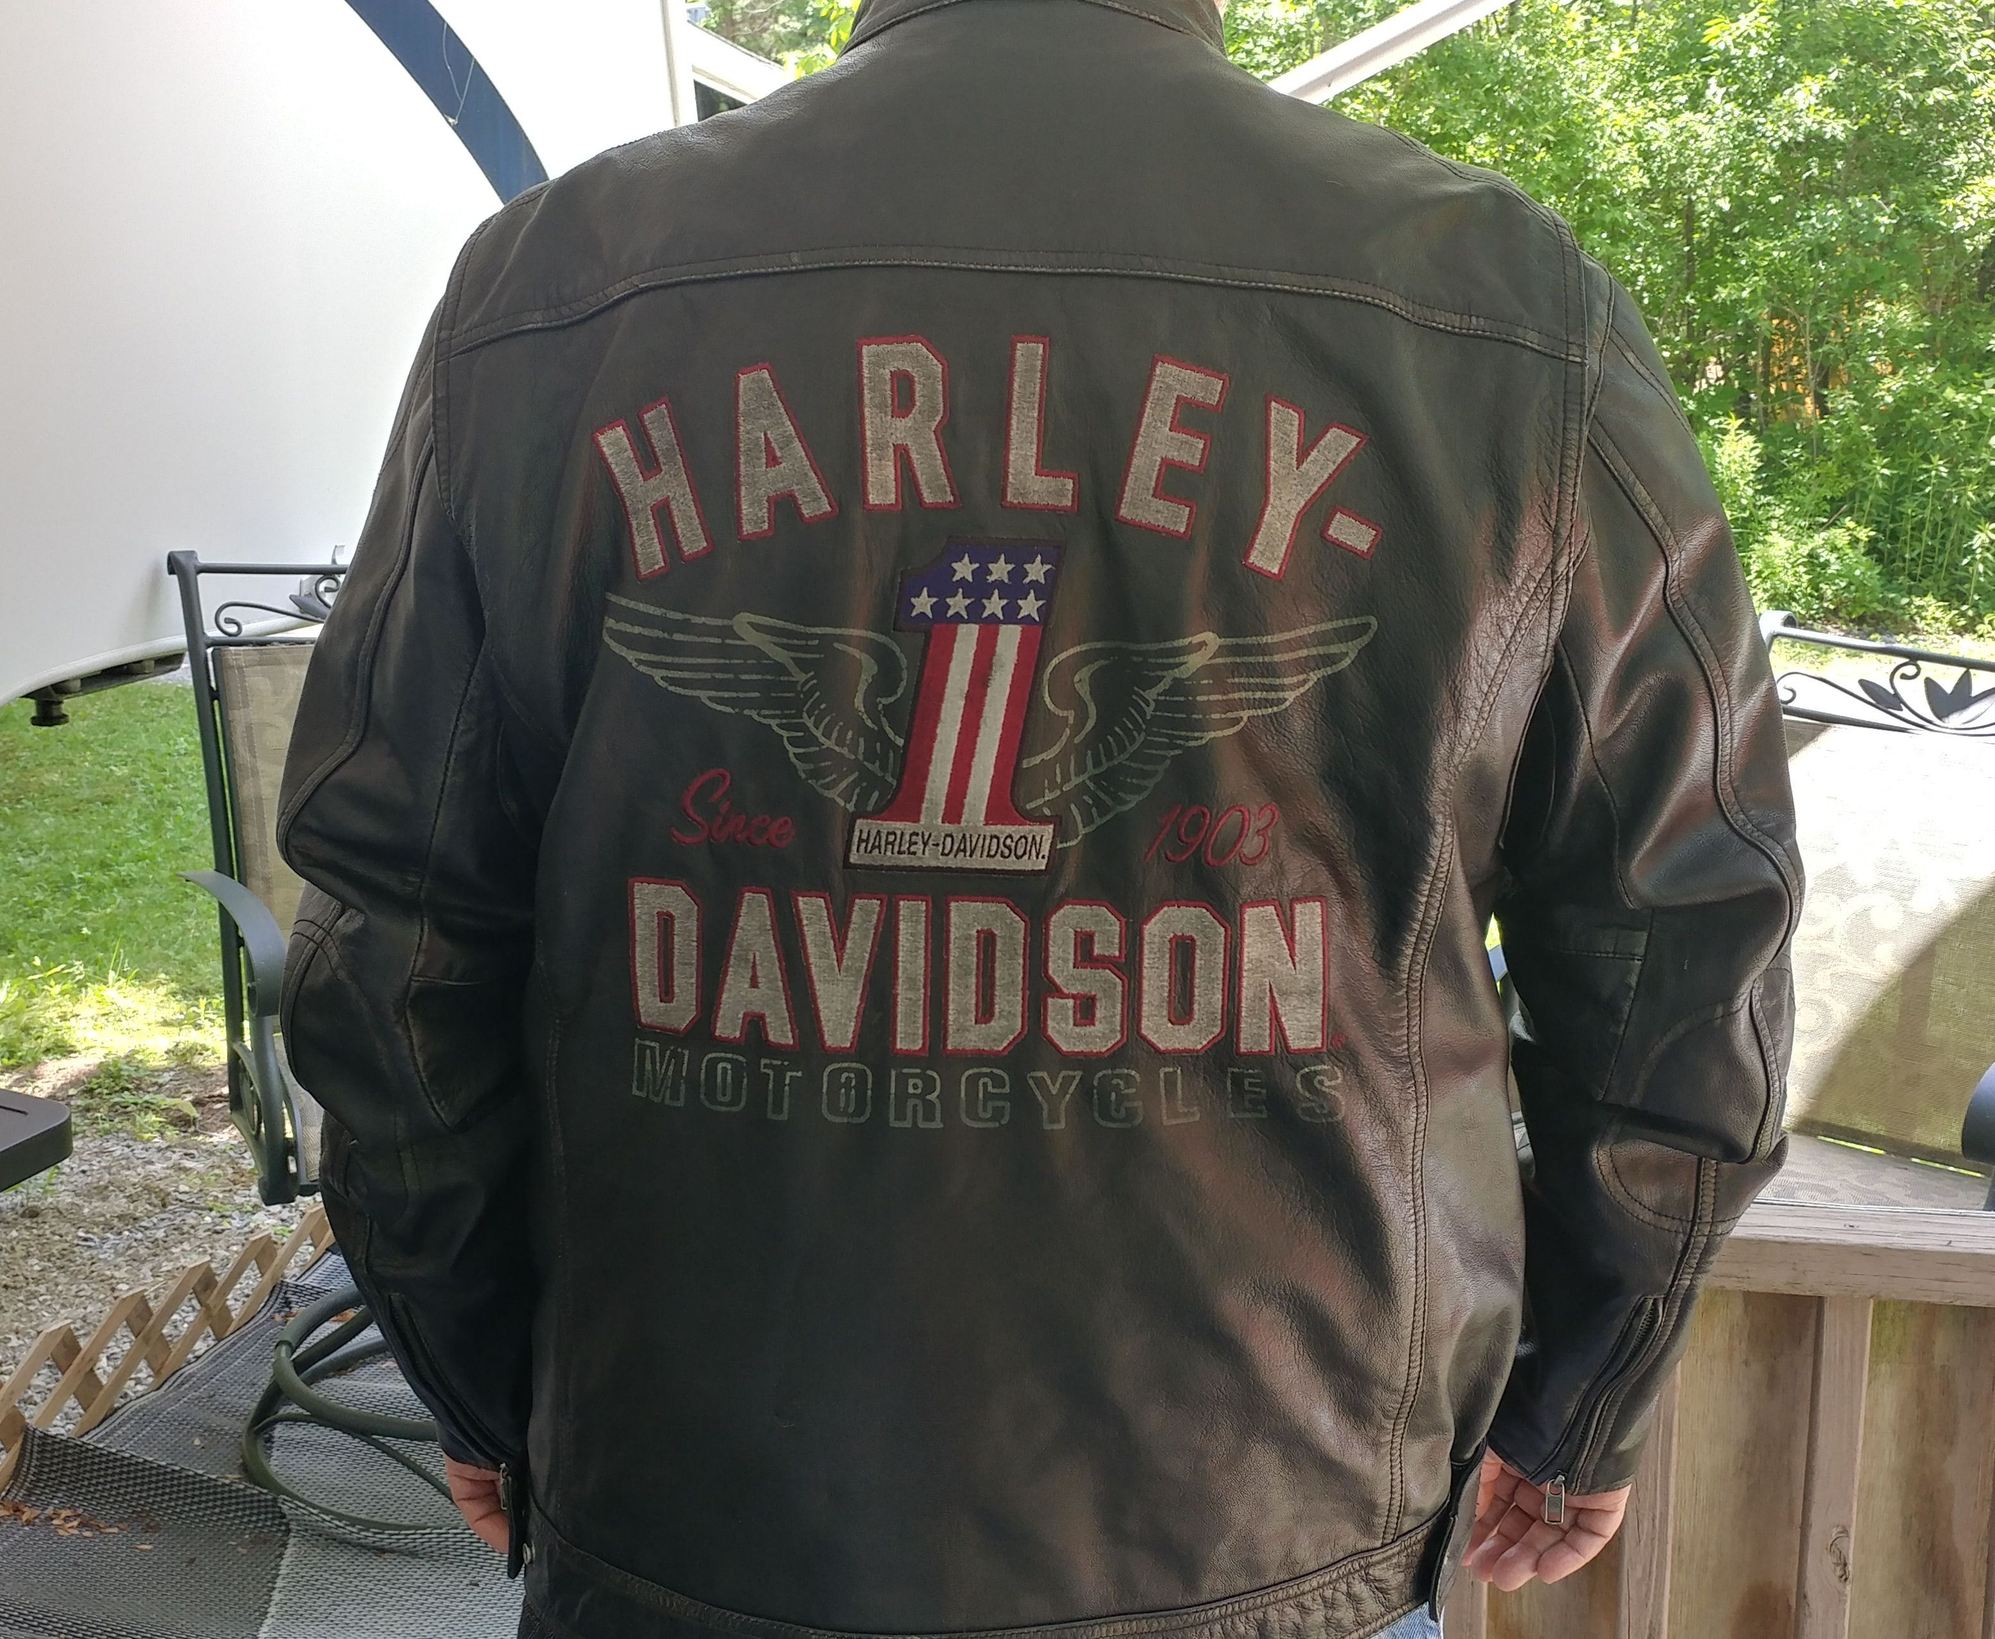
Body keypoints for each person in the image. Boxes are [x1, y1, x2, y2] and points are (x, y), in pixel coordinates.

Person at [276, 0, 1801, 1635]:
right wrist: (1581, 1395)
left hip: (687, 1514)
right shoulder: (1498, 305)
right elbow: (1685, 942)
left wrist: (486, 1376)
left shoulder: (558, 290)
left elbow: (394, 952)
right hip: (1279, 1529)